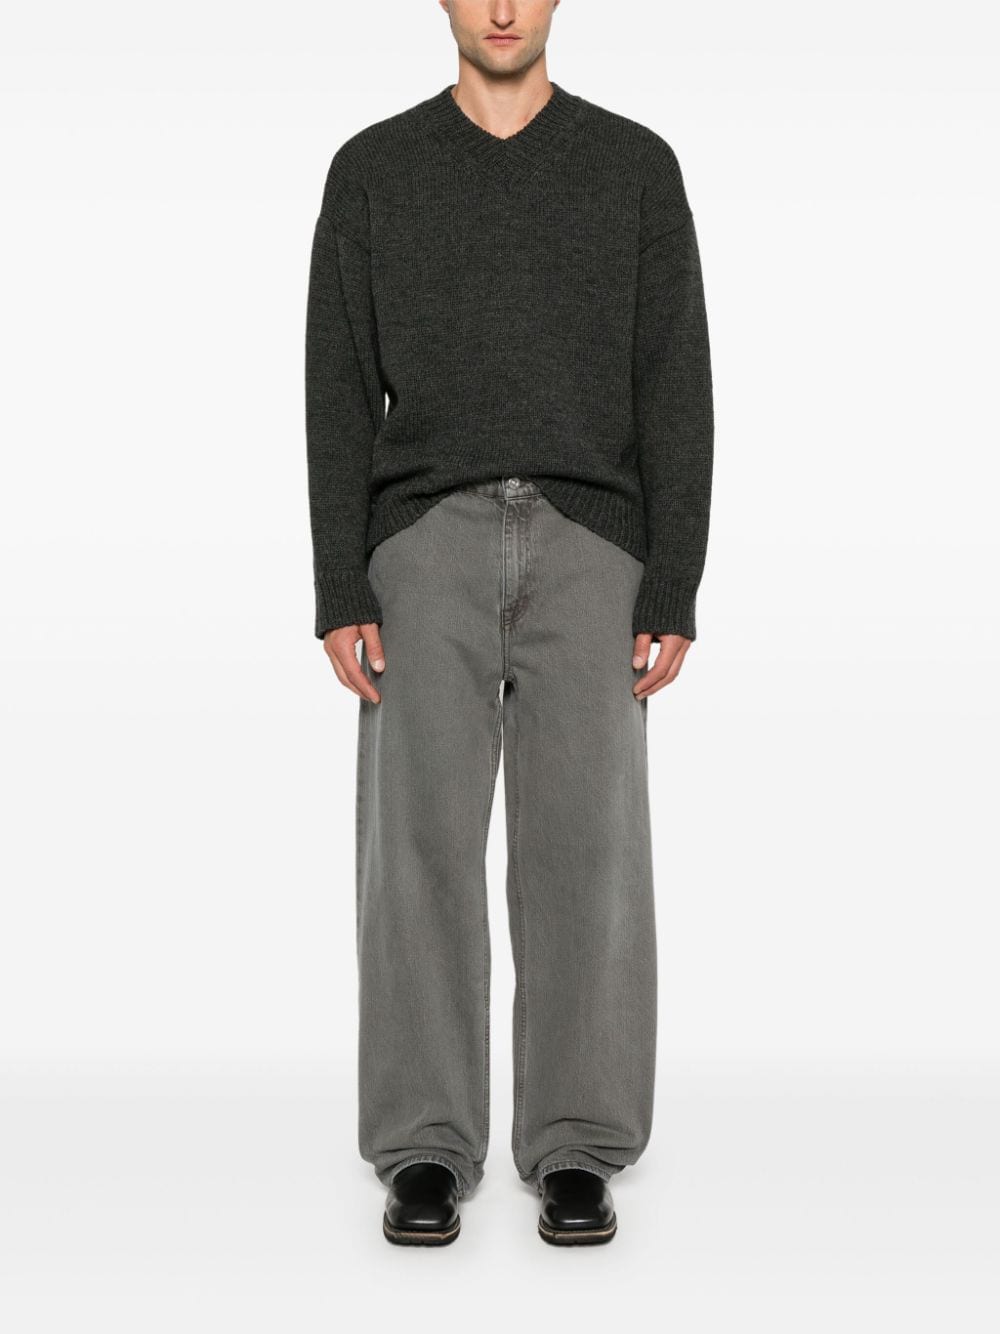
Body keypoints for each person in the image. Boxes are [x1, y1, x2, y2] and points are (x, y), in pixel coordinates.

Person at [304, 0, 713, 1248]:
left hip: (592, 540)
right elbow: (335, 382)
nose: (499, 8)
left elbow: (675, 378)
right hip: (422, 539)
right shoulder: (374, 170)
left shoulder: (633, 168)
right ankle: (425, 1140)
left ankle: (577, 1139)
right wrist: (339, 582)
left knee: (586, 847)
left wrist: (672, 580)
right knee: (415, 847)